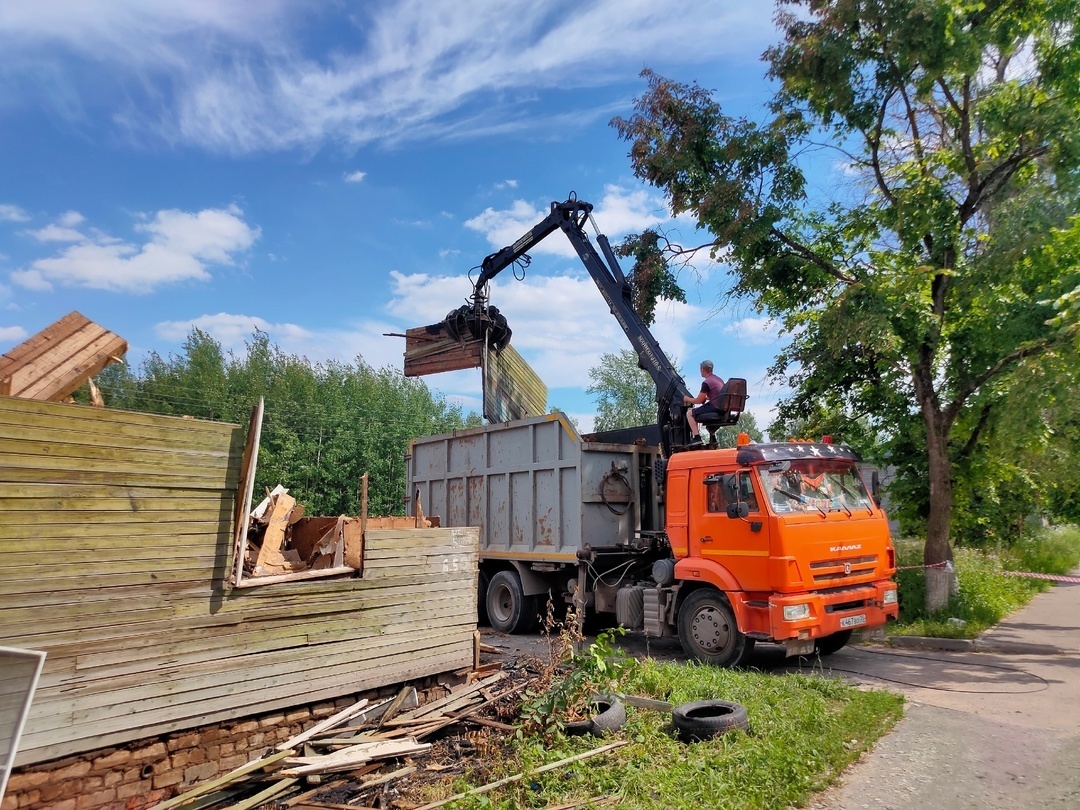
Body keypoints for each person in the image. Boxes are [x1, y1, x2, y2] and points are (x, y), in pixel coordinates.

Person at [683, 360, 725, 445]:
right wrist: (707, 398)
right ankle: (713, 437)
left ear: (702, 369)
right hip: (722, 408)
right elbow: (717, 394)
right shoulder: (719, 380)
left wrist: (687, 399)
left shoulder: (706, 382)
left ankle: (697, 437)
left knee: (690, 413)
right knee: (704, 410)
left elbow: (698, 400)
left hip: (715, 408)